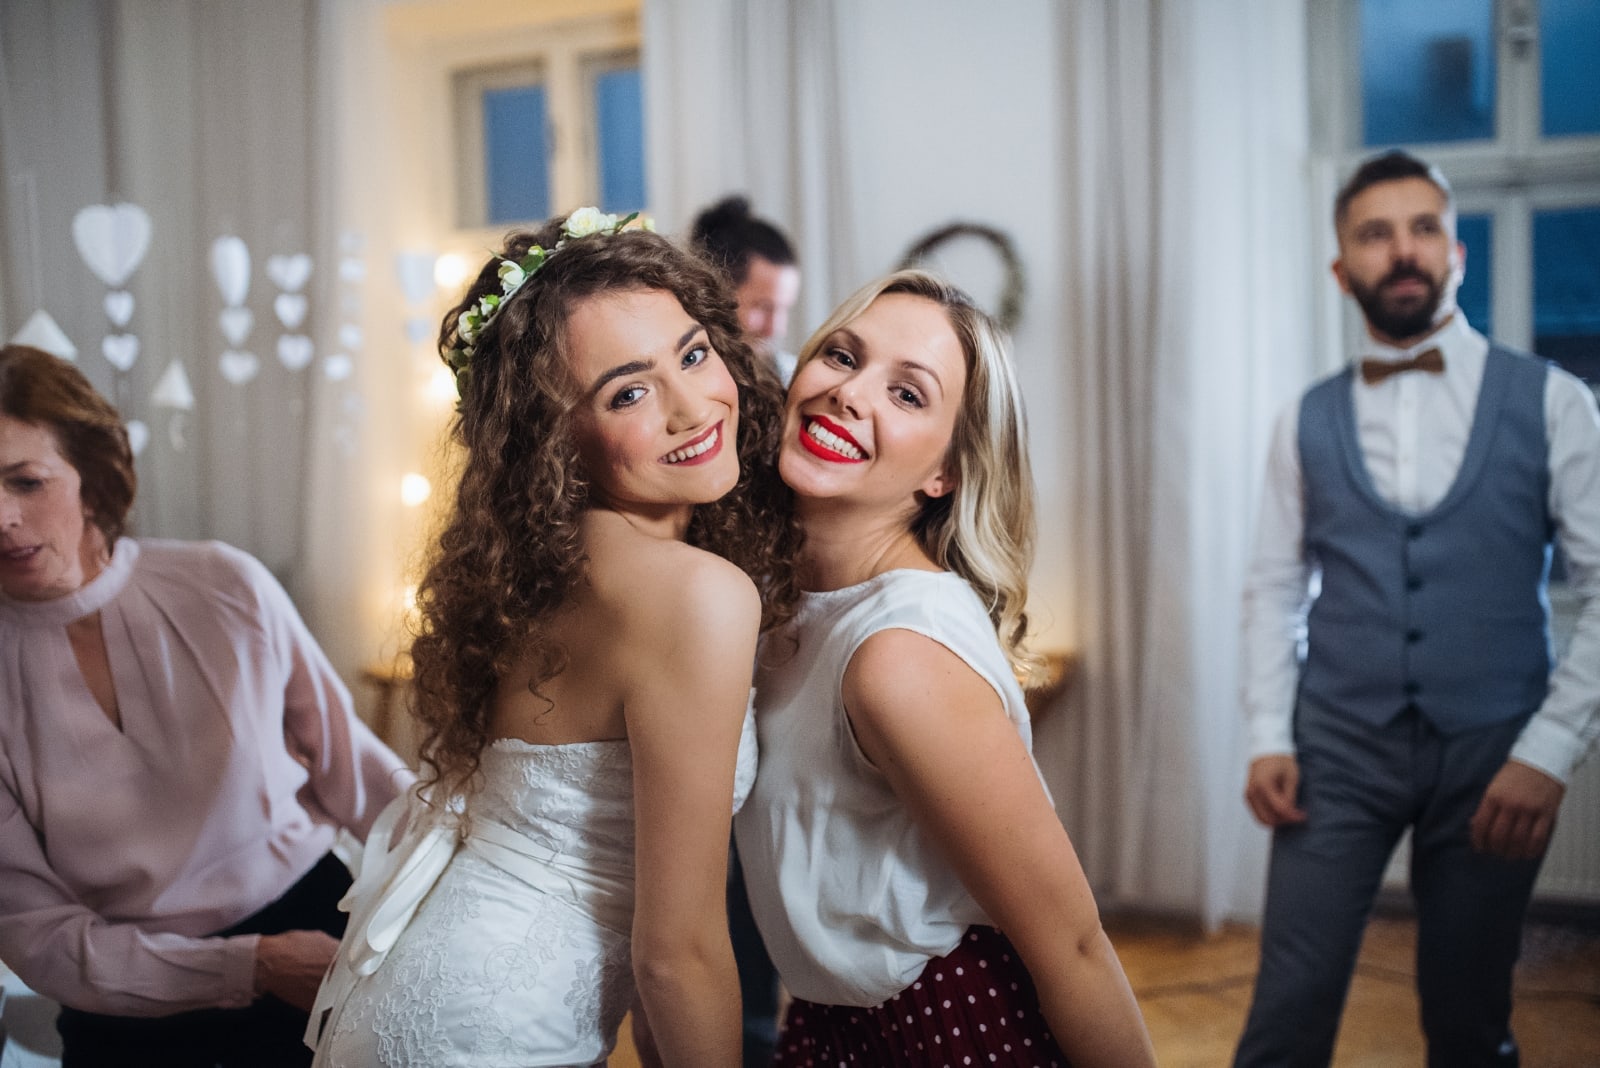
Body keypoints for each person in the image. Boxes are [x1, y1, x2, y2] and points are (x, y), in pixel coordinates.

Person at [306, 208, 800, 1068]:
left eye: (692, 352)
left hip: (412, 1006)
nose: (694, 406)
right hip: (488, 1034)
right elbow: (675, 955)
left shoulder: (539, 569)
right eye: (629, 391)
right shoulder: (696, 595)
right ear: (553, 438)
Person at [733, 269, 1158, 1067]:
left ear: (946, 473)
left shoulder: (897, 655)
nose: (850, 394)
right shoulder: (775, 608)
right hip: (827, 1031)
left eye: (908, 394)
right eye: (841, 356)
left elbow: (1072, 946)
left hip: (946, 1032)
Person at [1234, 150, 1600, 1067]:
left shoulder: (1556, 402)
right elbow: (1274, 584)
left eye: (1423, 228)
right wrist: (1265, 735)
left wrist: (1548, 755)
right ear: (1341, 267)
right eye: (1375, 234)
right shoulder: (1300, 420)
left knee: (1469, 1014)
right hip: (1336, 747)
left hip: (1495, 751)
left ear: (1457, 252)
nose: (1403, 251)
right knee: (1288, 1006)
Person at [0, 343, 410, 1067]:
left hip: (316, 929)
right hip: (125, 993)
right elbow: (34, 933)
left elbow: (358, 773)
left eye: (25, 481)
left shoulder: (224, 584)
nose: (1, 515)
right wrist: (248, 966)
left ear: (91, 480)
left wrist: (465, 894)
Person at [691, 195, 802, 385]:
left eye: (784, 309)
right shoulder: (690, 378)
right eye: (764, 307)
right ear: (715, 293)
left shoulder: (790, 377)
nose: (776, 328)